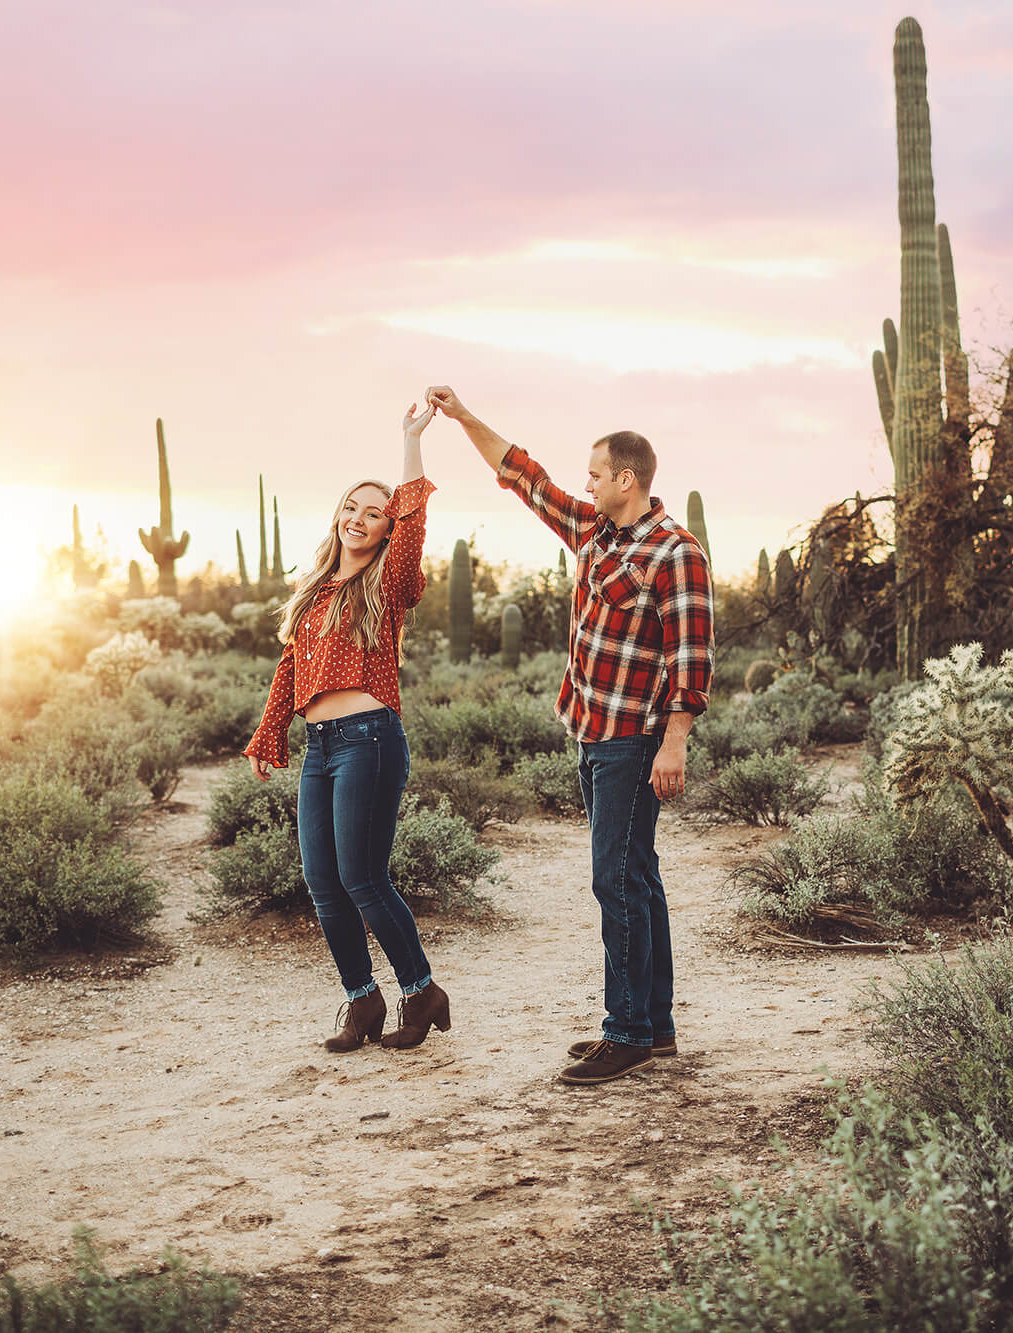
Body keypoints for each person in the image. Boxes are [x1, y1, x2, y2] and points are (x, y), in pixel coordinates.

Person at [425, 385, 712, 1086]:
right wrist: (463, 416)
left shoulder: (675, 552)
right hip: (589, 732)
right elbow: (523, 474)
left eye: (595, 471)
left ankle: (626, 1032)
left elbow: (693, 656)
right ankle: (656, 1026)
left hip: (633, 740)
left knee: (615, 880)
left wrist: (675, 742)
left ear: (628, 479)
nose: (584, 481)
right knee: (636, 877)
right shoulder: (593, 531)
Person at [242, 403, 450, 1053]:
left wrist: (410, 441)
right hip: (320, 748)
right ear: (337, 515)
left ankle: (421, 990)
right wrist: (268, 731)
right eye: (351, 508)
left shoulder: (390, 581)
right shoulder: (313, 589)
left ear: (387, 529)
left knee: (363, 877)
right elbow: (289, 665)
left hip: (369, 739)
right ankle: (363, 1002)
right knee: (323, 881)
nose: (358, 518)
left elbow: (414, 521)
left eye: (374, 512)